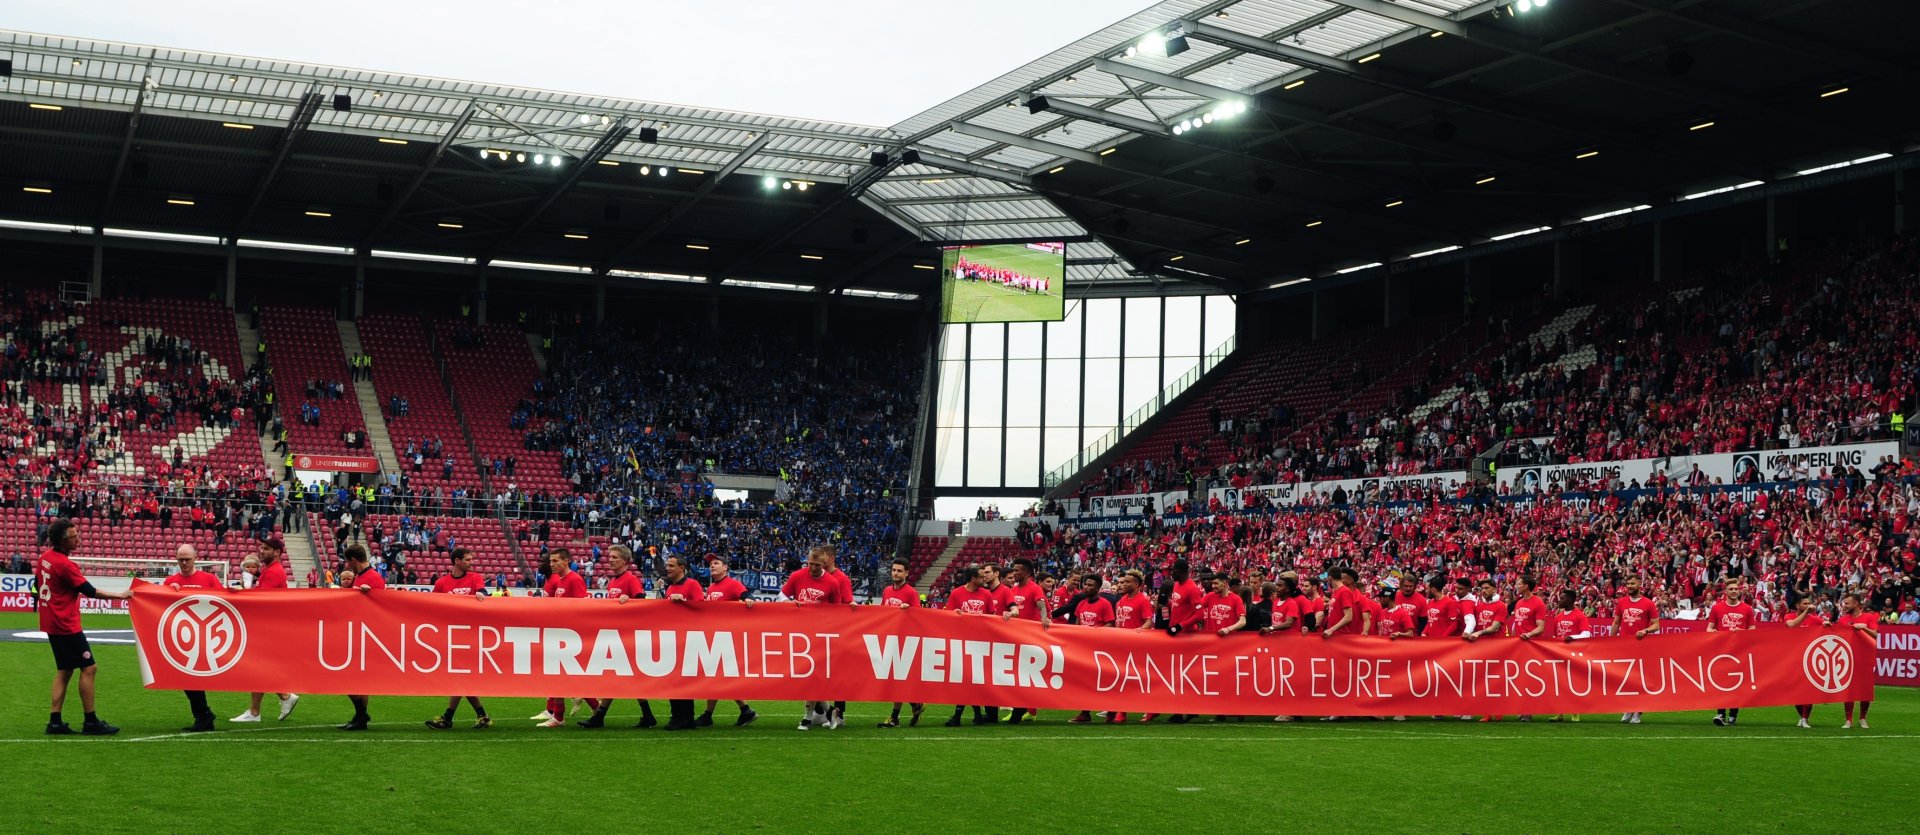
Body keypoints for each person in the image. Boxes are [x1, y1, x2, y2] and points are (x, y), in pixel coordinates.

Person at [35, 519, 134, 736]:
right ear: (62, 540)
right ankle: (90, 721)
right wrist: (121, 595)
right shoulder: (65, 564)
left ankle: (55, 721)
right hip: (66, 625)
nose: (78, 538)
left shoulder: (45, 558)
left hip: (51, 623)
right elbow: (90, 591)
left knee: (64, 670)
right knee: (89, 668)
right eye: (74, 536)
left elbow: (37, 584)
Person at [582, 545, 656, 729]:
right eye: (610, 557)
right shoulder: (613, 581)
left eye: (615, 557)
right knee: (621, 676)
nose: (611, 559)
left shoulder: (630, 579)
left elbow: (641, 603)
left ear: (625, 560)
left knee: (621, 675)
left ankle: (600, 716)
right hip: (617, 634)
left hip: (627, 635)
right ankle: (645, 715)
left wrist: (629, 601)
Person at [233, 536, 300, 724]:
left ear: (277, 552)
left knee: (258, 667)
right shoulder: (270, 570)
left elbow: (261, 601)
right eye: (261, 547)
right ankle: (258, 710)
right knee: (259, 668)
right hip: (268, 626)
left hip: (267, 627)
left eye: (266, 548)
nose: (261, 551)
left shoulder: (273, 572)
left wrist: (246, 588)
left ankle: (283, 698)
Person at [425, 548, 493, 730]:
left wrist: (481, 595)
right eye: (468, 559)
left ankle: (448, 718)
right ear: (457, 561)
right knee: (461, 677)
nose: (471, 562)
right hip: (451, 635)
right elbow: (433, 606)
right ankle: (481, 716)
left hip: (470, 635)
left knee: (460, 676)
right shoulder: (441, 583)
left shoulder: (475, 577)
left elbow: (483, 591)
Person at [783, 546, 849, 730]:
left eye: (816, 565)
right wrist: (790, 602)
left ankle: (808, 716)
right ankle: (828, 711)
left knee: (812, 676)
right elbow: (782, 594)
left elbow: (837, 609)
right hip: (799, 632)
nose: (812, 568)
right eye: (810, 563)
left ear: (824, 564)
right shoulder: (797, 575)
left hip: (820, 634)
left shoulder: (832, 582)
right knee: (806, 675)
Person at [530, 548, 593, 728]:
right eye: (550, 561)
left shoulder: (574, 579)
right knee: (561, 675)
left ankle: (559, 716)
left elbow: (582, 607)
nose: (551, 564)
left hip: (570, 635)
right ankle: (589, 709)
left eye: (555, 561)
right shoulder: (561, 580)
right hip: (560, 633)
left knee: (562, 675)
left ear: (566, 561)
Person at [163, 544, 223, 733]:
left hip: (206, 635)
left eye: (187, 559)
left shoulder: (209, 579)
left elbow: (225, 601)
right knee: (186, 677)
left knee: (192, 677)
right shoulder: (170, 581)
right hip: (182, 636)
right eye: (180, 559)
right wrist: (168, 593)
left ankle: (203, 716)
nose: (184, 563)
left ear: (195, 558)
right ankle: (204, 715)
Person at [698, 554, 758, 728]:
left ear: (725, 568)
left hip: (726, 637)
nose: (712, 566)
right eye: (710, 564)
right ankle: (745, 710)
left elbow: (748, 596)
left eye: (716, 563)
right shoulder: (712, 588)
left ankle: (710, 715)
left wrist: (748, 600)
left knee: (717, 676)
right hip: (715, 636)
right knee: (719, 676)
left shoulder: (732, 584)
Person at [941, 565, 1001, 727]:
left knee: (971, 680)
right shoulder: (957, 593)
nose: (985, 579)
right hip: (962, 642)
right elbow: (947, 615)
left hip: (980, 643)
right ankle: (974, 715)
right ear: (973, 579)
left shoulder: (986, 594)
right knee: (968, 680)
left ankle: (960, 716)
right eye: (982, 577)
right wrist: (955, 615)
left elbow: (992, 618)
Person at [339, 545, 383, 731]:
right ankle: (361, 717)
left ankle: (361, 715)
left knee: (347, 677)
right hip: (358, 630)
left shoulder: (372, 577)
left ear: (353, 561)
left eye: (349, 561)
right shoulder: (361, 576)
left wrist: (371, 594)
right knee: (357, 679)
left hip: (367, 632)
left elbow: (383, 603)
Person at [657, 555, 704, 731]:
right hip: (674, 638)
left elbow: (701, 607)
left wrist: (684, 602)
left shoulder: (692, 584)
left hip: (688, 638)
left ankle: (681, 717)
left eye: (671, 565)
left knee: (681, 679)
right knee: (676, 679)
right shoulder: (670, 587)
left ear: (682, 568)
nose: (667, 568)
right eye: (667, 565)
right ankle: (684, 717)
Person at [876, 559, 924, 729]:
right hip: (890, 639)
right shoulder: (887, 591)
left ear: (907, 573)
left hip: (905, 642)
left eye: (899, 571)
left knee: (898, 679)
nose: (895, 573)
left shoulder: (911, 593)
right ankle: (915, 703)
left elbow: (919, 615)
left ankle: (895, 717)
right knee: (895, 679)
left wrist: (909, 610)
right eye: (894, 570)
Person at [1058, 574, 1113, 724]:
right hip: (1083, 649)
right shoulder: (1081, 604)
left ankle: (1111, 710)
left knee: (1102, 680)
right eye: (1085, 584)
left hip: (1099, 649)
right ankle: (1085, 712)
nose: (1086, 587)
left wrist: (1095, 632)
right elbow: (1077, 624)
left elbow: (1110, 624)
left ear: (1098, 588)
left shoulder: (1104, 604)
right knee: (1085, 682)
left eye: (1090, 585)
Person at [1614, 575, 1661, 724]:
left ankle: (1638, 711)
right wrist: (1610, 640)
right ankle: (1628, 708)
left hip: (1642, 646)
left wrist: (1645, 631)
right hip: (1624, 646)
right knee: (1626, 678)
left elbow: (1656, 625)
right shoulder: (1621, 602)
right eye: (1628, 584)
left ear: (1639, 584)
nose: (1629, 586)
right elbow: (1616, 622)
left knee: (1640, 679)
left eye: (1632, 583)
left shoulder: (1648, 603)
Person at [1708, 579, 1756, 727]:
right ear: (1726, 591)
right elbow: (1709, 628)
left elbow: (1753, 630)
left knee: (1737, 683)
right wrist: (1713, 632)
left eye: (1736, 589)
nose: (1734, 591)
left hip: (1739, 651)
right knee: (1722, 682)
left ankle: (1733, 714)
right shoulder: (1717, 608)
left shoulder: (1747, 609)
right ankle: (1721, 713)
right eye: (1731, 589)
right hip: (1722, 651)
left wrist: (1742, 632)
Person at [1545, 590, 1592, 723]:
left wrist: (1572, 637)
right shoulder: (1558, 617)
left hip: (1573, 655)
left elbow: (1586, 634)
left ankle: (1575, 712)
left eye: (1563, 598)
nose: (1559, 601)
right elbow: (1555, 636)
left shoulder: (1580, 616)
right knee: (1559, 684)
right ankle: (1559, 713)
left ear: (1571, 600)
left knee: (1572, 684)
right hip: (1559, 654)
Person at [1784, 596, 1827, 729]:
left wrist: (1827, 624)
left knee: (1808, 691)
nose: (1808, 605)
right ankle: (1801, 716)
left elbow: (1827, 625)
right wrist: (1805, 613)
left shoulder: (1815, 619)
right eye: (1805, 603)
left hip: (1809, 659)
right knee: (1794, 691)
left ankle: (1805, 718)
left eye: (1809, 603)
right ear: (1798, 605)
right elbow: (1791, 625)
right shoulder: (1789, 616)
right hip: (1793, 658)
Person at [1838, 593, 1880, 729]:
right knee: (1848, 690)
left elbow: (1875, 634)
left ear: (1856, 604)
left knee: (1865, 690)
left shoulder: (1869, 617)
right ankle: (1848, 720)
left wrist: (1863, 628)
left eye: (1847, 603)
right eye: (1844, 603)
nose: (1845, 606)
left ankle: (1862, 718)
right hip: (1848, 659)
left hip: (1865, 659)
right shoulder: (1843, 620)